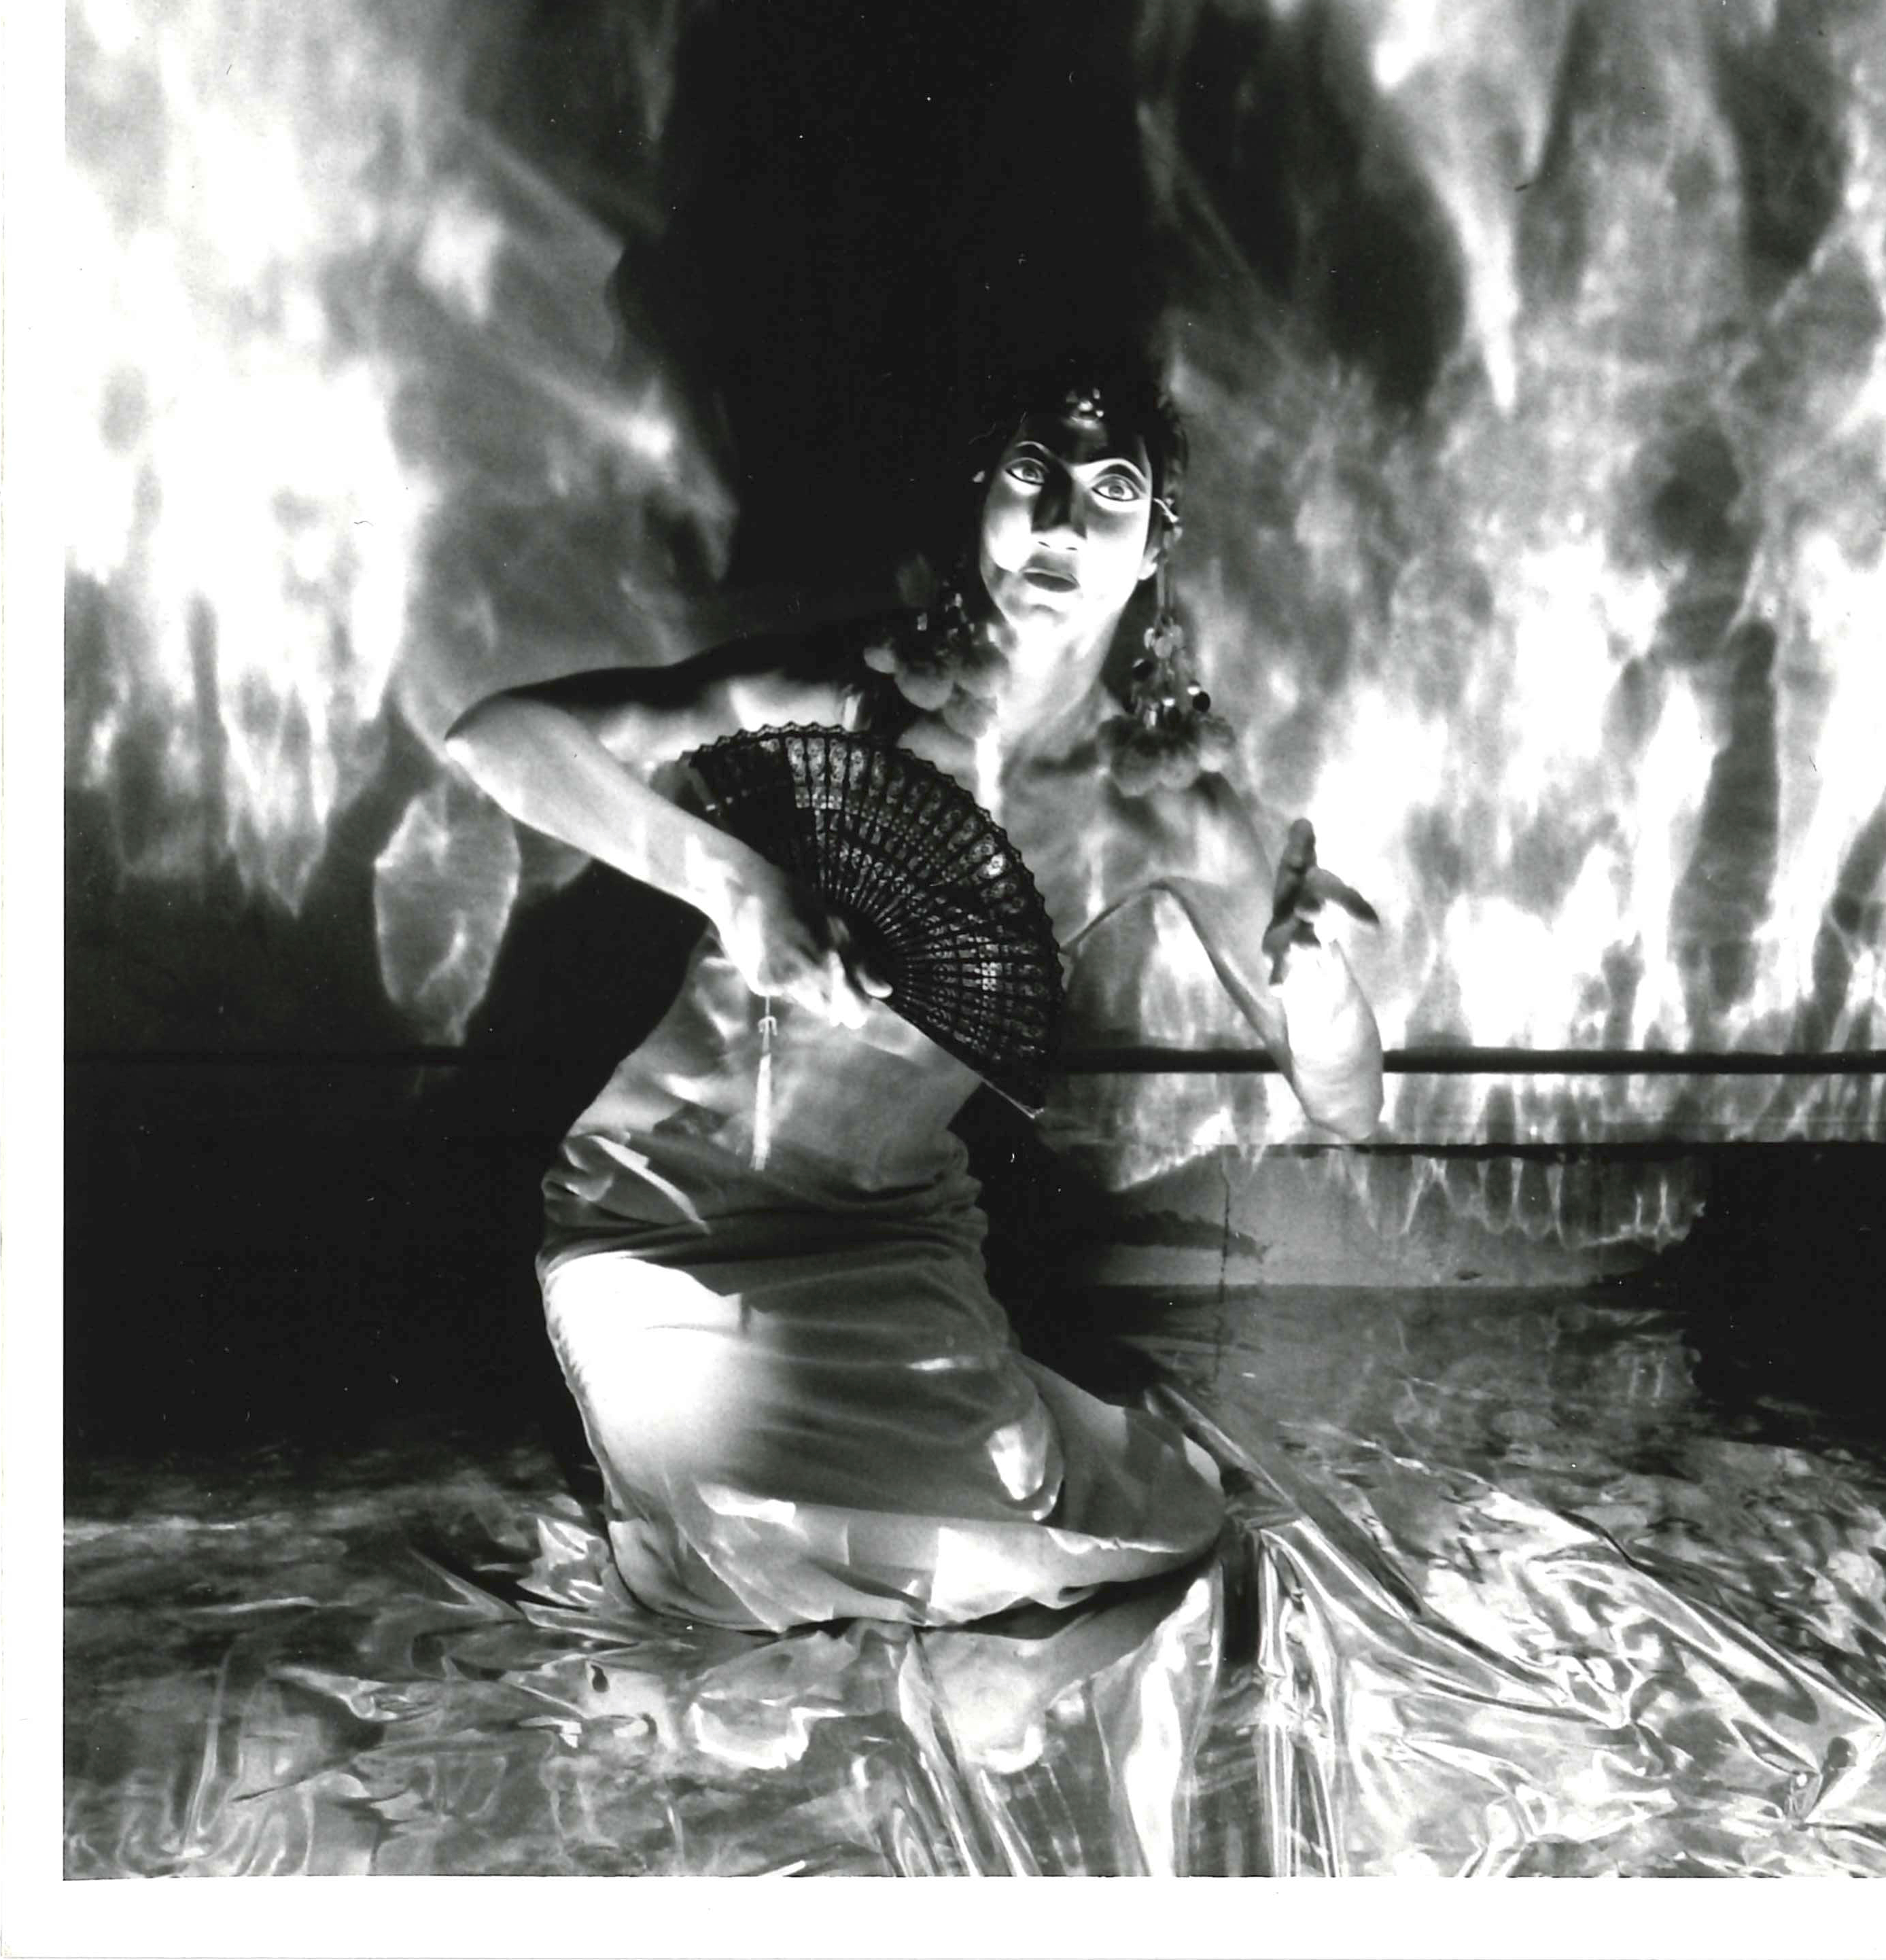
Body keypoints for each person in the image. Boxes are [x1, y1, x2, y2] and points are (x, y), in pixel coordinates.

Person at [446, 353, 1384, 1632]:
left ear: (1155, 549)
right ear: (983, 494)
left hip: (889, 1240)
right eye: (1033, 472)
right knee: (745, 1548)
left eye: (1112, 490)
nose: (1062, 522)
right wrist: (735, 884)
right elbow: (497, 738)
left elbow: (1346, 1103)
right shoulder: (846, 696)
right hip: (668, 1222)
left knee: (1028, 1543)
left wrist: (1312, 972)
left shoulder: (1166, 808)